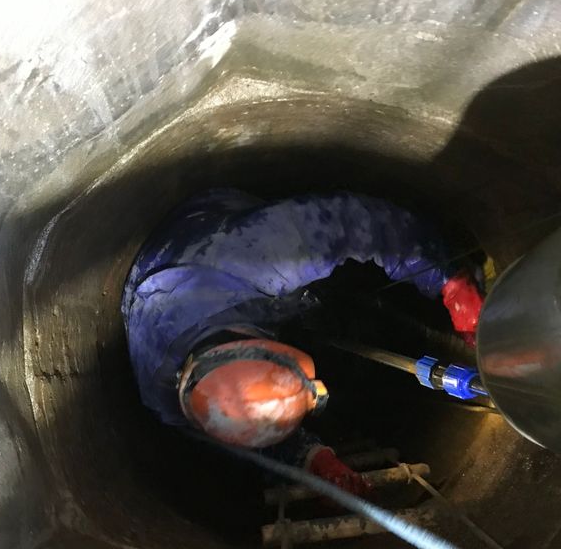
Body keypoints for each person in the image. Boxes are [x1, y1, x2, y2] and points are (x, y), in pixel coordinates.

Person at [121, 189, 483, 496]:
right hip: (180, 286)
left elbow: (363, 225)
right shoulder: (167, 399)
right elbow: (242, 432)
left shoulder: (263, 255)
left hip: (213, 225)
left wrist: (450, 282)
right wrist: (310, 457)